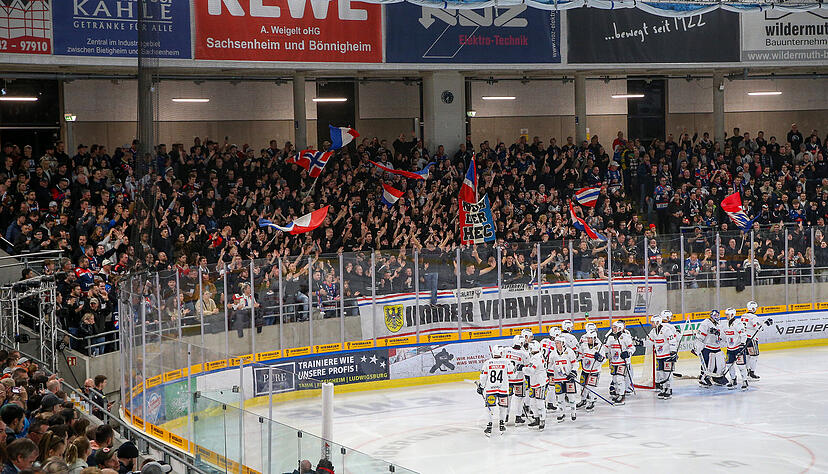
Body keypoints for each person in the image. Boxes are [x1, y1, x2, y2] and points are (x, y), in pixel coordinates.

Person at [477, 346, 511, 435]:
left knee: (489, 408)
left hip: (490, 389)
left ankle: (489, 426)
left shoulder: (487, 363)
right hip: (503, 389)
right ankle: (502, 424)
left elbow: (483, 376)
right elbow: (512, 376)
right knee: (503, 408)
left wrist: (481, 386)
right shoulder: (507, 362)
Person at [647, 311, 679, 399]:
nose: (651, 324)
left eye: (653, 322)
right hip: (659, 356)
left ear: (658, 322)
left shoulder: (666, 330)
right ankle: (663, 389)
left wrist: (673, 352)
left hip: (667, 355)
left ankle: (668, 389)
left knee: (667, 373)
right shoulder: (653, 331)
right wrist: (640, 343)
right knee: (660, 373)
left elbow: (672, 341)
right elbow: (650, 341)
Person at [693, 310, 728, 387]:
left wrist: (719, 334)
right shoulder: (705, 323)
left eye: (718, 316)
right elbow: (699, 337)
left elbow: (723, 336)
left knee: (719, 363)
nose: (717, 317)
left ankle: (717, 377)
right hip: (707, 347)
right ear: (711, 316)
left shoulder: (719, 324)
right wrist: (697, 347)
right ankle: (703, 377)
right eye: (716, 316)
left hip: (716, 347)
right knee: (707, 364)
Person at [741, 300, 773, 379]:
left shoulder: (743, 315)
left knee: (748, 355)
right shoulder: (754, 317)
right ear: (753, 308)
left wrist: (762, 322)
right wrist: (765, 324)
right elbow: (758, 328)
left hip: (745, 338)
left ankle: (747, 372)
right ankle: (752, 373)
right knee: (754, 356)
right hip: (752, 339)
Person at [548, 336, 577, 422]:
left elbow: (575, 364)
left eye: (558, 343)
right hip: (558, 379)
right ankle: (561, 413)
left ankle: (573, 412)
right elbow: (549, 366)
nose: (556, 344)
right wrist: (548, 373)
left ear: (563, 343)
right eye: (556, 342)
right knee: (560, 398)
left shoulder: (570, 352)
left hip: (568, 379)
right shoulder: (552, 354)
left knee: (571, 397)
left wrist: (573, 372)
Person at [576, 330, 606, 411]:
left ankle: (592, 401)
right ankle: (583, 400)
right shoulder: (583, 346)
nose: (588, 340)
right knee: (582, 386)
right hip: (585, 370)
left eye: (590, 338)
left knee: (591, 387)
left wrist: (599, 358)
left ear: (595, 338)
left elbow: (604, 360)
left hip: (594, 371)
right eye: (588, 338)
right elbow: (580, 356)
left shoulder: (600, 347)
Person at [606, 320, 634, 405]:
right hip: (614, 362)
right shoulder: (611, 337)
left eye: (615, 327)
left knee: (619, 378)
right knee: (615, 379)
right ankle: (618, 393)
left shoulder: (625, 337)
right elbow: (606, 348)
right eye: (613, 327)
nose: (613, 329)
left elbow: (632, 348)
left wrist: (628, 353)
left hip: (622, 362)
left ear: (619, 328)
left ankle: (622, 395)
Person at [502, 336, 528, 425]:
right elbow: (528, 366)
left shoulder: (506, 350)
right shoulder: (524, 353)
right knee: (520, 399)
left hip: (508, 380)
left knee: (507, 398)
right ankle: (518, 417)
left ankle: (505, 416)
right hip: (519, 380)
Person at [722, 307, 749, 390]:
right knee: (729, 365)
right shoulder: (725, 324)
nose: (726, 316)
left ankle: (745, 381)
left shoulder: (738, 324)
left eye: (727, 314)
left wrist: (742, 344)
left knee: (741, 366)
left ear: (732, 315)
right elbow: (724, 335)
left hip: (738, 348)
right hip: (729, 349)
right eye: (726, 314)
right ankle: (733, 380)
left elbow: (743, 334)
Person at [525, 341, 547, 430]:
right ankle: (537, 418)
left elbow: (530, 371)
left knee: (539, 403)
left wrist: (522, 369)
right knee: (532, 403)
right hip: (534, 382)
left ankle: (542, 420)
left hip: (539, 383)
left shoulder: (536, 358)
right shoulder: (538, 355)